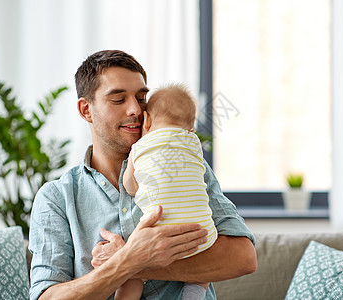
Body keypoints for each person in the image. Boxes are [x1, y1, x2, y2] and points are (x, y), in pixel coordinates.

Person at [29, 50, 257, 300]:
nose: (135, 110)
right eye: (118, 99)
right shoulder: (56, 198)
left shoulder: (184, 162)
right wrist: (129, 260)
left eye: (141, 97)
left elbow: (243, 258)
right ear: (86, 110)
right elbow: (47, 297)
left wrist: (138, 264)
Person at [117, 84, 216, 300]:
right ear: (191, 128)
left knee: (132, 273)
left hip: (158, 232)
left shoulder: (140, 147)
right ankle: (193, 294)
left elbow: (130, 186)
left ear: (148, 121)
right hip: (201, 233)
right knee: (202, 271)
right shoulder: (193, 143)